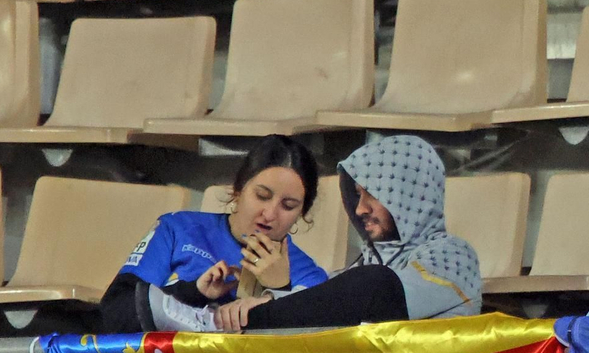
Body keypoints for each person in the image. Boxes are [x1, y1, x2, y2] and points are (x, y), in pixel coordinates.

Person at [104, 134, 480, 333]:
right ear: (237, 190)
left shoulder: (450, 253)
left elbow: (368, 306)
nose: (269, 214)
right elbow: (114, 313)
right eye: (261, 196)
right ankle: (207, 324)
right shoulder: (179, 228)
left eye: (288, 206)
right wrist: (192, 293)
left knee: (376, 282)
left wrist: (279, 294)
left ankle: (213, 328)